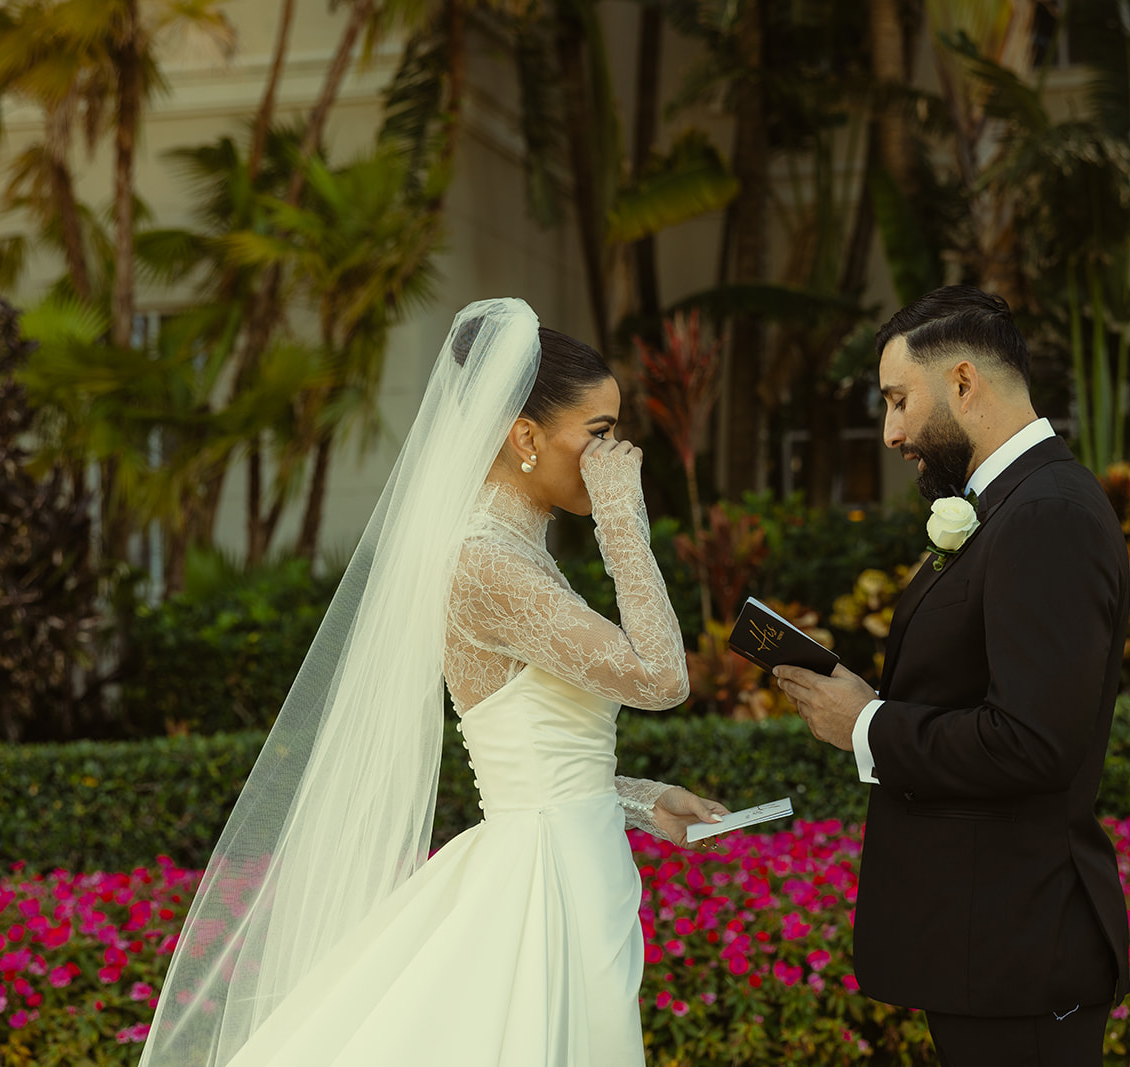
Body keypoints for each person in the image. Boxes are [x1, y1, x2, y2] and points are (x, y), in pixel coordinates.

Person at [139, 298, 726, 1067]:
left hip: (575, 861)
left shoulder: (517, 551)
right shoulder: (487, 561)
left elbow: (539, 757)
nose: (618, 457)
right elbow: (662, 677)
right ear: (525, 437)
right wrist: (624, 519)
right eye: (600, 434)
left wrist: (644, 799)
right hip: (543, 886)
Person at [776, 286, 1130, 1067]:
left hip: (1023, 948)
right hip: (988, 947)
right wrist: (865, 697)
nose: (892, 431)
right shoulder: (1007, 504)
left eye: (899, 400)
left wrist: (864, 725)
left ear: (964, 382)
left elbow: (1032, 741)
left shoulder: (1046, 515)